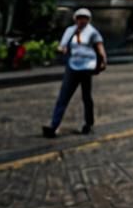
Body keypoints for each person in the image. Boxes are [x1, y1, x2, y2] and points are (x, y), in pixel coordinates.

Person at [43, 7, 106, 138]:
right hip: (72, 66)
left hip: (87, 67)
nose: (82, 20)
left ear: (88, 20)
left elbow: (100, 49)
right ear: (75, 19)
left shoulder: (92, 32)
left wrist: (102, 63)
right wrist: (61, 49)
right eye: (79, 18)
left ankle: (89, 123)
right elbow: (63, 45)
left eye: (85, 18)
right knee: (63, 96)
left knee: (86, 97)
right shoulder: (70, 31)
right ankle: (54, 126)